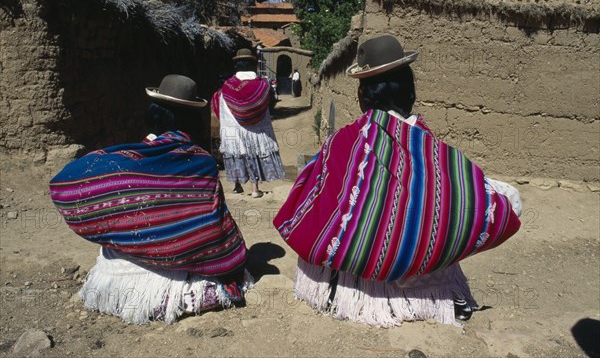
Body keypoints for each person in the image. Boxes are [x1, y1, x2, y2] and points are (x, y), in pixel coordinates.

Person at [273, 35, 522, 327]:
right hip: (424, 281)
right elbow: (488, 203)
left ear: (363, 96)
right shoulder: (432, 149)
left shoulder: (344, 143)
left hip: (353, 288)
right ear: (410, 93)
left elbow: (309, 198)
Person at [49, 74, 253, 324]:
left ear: (154, 112)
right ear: (192, 118)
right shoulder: (200, 162)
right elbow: (213, 225)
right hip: (173, 284)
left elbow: (66, 182)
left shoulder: (133, 156)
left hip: (114, 279)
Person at [211, 48, 285, 198]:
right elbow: (270, 102)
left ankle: (237, 185)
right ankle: (255, 188)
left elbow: (218, 105)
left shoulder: (227, 86)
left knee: (236, 152)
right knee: (254, 153)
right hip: (256, 128)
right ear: (253, 64)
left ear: (237, 65)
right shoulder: (263, 85)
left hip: (234, 128)